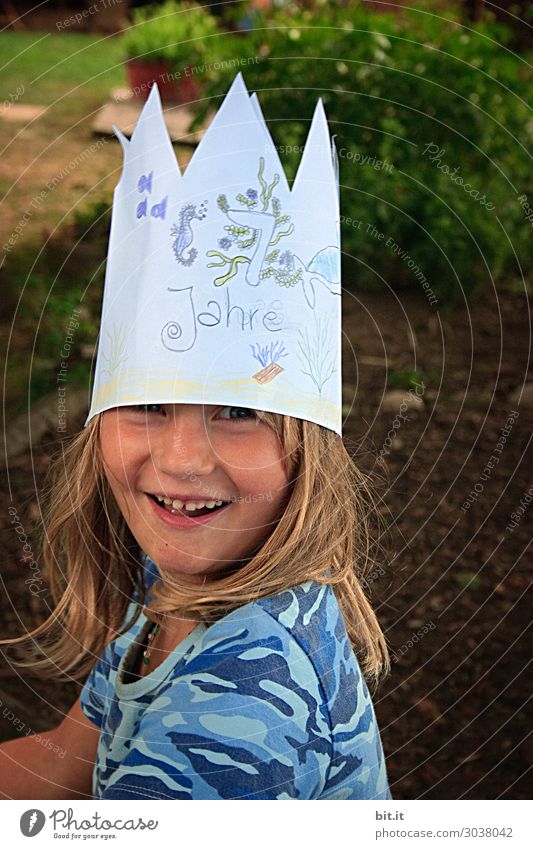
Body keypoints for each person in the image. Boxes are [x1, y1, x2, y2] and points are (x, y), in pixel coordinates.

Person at [0, 74, 392, 800]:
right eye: (146, 403)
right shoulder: (183, 576)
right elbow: (60, 760)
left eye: (238, 412)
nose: (181, 459)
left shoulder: (228, 713)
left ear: (307, 446)